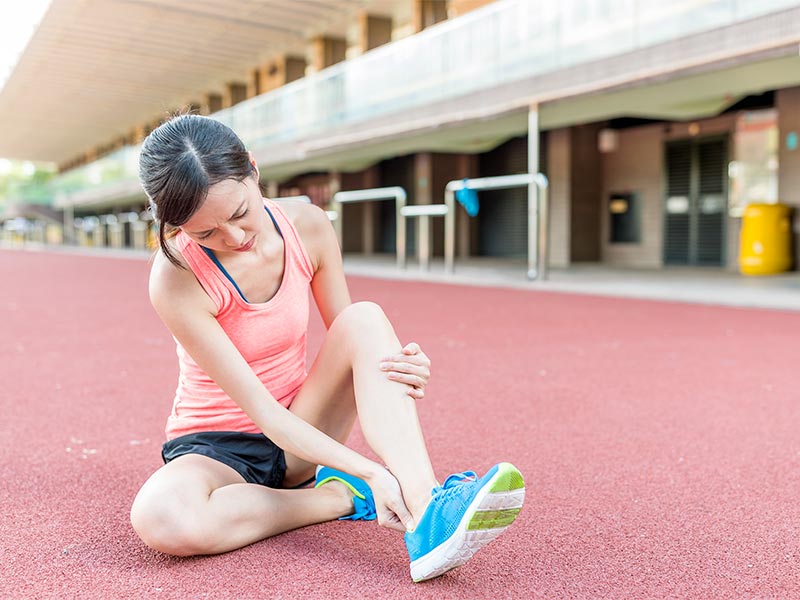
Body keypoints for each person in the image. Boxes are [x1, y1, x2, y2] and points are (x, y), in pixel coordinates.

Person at [130, 114, 525, 583]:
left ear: (253, 171)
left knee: (365, 317)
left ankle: (428, 511)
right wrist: (372, 473)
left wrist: (399, 366)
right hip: (216, 449)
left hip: (304, 423)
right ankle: (337, 497)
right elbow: (263, 414)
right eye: (205, 233)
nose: (234, 239)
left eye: (239, 213)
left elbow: (354, 340)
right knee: (162, 517)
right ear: (177, 229)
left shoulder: (307, 225)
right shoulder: (175, 277)